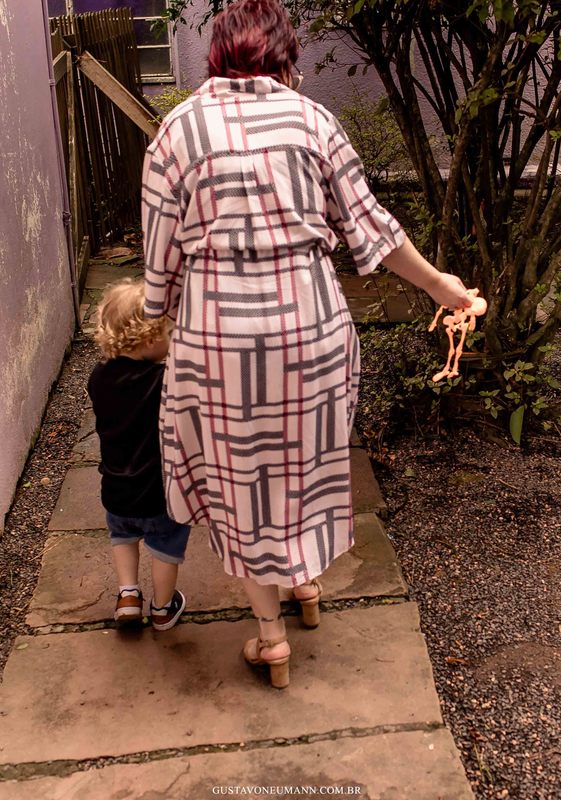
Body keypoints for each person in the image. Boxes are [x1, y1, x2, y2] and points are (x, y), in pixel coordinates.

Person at [141, 0, 470, 688]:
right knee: (305, 460)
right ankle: (307, 589)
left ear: (217, 55)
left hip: (218, 334)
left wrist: (159, 318)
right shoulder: (313, 120)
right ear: (283, 55)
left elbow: (158, 266)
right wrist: (444, 289)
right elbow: (372, 228)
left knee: (242, 480)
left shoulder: (175, 131)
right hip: (309, 326)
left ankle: (271, 639)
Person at [88, 278, 190, 631]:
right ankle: (162, 608)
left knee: (123, 538)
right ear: (149, 339)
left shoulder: (98, 378)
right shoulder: (163, 381)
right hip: (158, 492)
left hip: (116, 488)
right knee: (164, 546)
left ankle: (128, 596)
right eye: (167, 333)